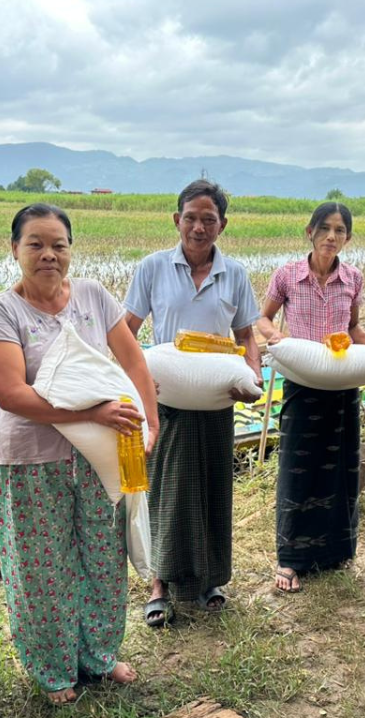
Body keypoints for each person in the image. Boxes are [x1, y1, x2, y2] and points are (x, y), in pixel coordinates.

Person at [0, 203, 158, 704]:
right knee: (43, 568)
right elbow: (11, 393)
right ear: (15, 249)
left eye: (59, 244)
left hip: (100, 455)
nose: (48, 254)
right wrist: (92, 414)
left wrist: (151, 419)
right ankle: (55, 670)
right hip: (31, 458)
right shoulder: (2, 310)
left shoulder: (94, 297)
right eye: (35, 243)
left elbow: (134, 360)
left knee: (103, 555)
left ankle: (99, 656)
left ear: (71, 250)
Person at [123, 180, 263, 626]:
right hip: (169, 398)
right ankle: (159, 584)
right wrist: (137, 380)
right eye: (191, 218)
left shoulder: (234, 274)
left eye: (208, 219)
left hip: (217, 397)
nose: (199, 227)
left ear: (222, 225)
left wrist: (254, 380)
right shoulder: (152, 268)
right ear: (176, 220)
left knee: (212, 486)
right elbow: (125, 331)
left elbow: (246, 337)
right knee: (164, 489)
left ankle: (208, 580)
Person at [255, 202, 365, 593]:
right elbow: (263, 319)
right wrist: (276, 337)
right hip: (302, 381)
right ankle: (291, 558)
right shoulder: (288, 276)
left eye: (340, 230)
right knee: (298, 466)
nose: (332, 236)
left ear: (349, 238)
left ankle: (336, 551)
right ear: (308, 232)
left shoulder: (353, 278)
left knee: (342, 466)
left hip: (342, 385)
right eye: (325, 228)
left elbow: (354, 327)